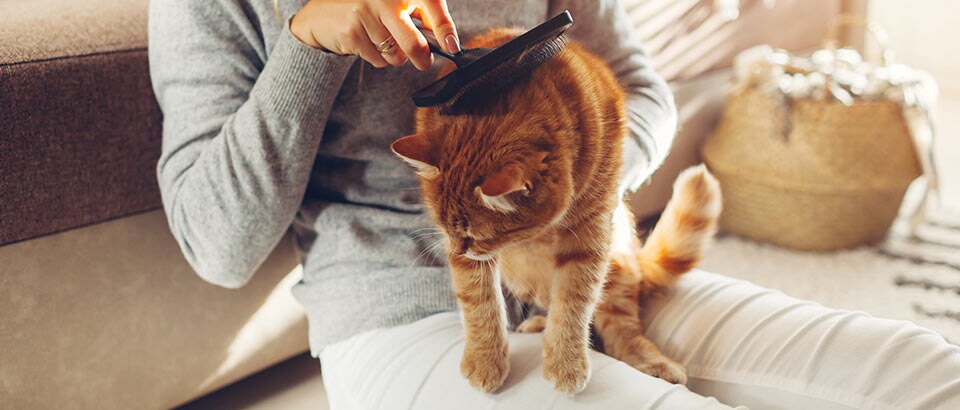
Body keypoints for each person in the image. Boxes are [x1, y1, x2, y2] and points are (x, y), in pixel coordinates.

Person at [149, 0, 960, 408]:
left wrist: (573, 191)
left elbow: (640, 88)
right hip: (401, 316)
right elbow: (216, 246)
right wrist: (307, 42)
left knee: (931, 375)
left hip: (592, 272)